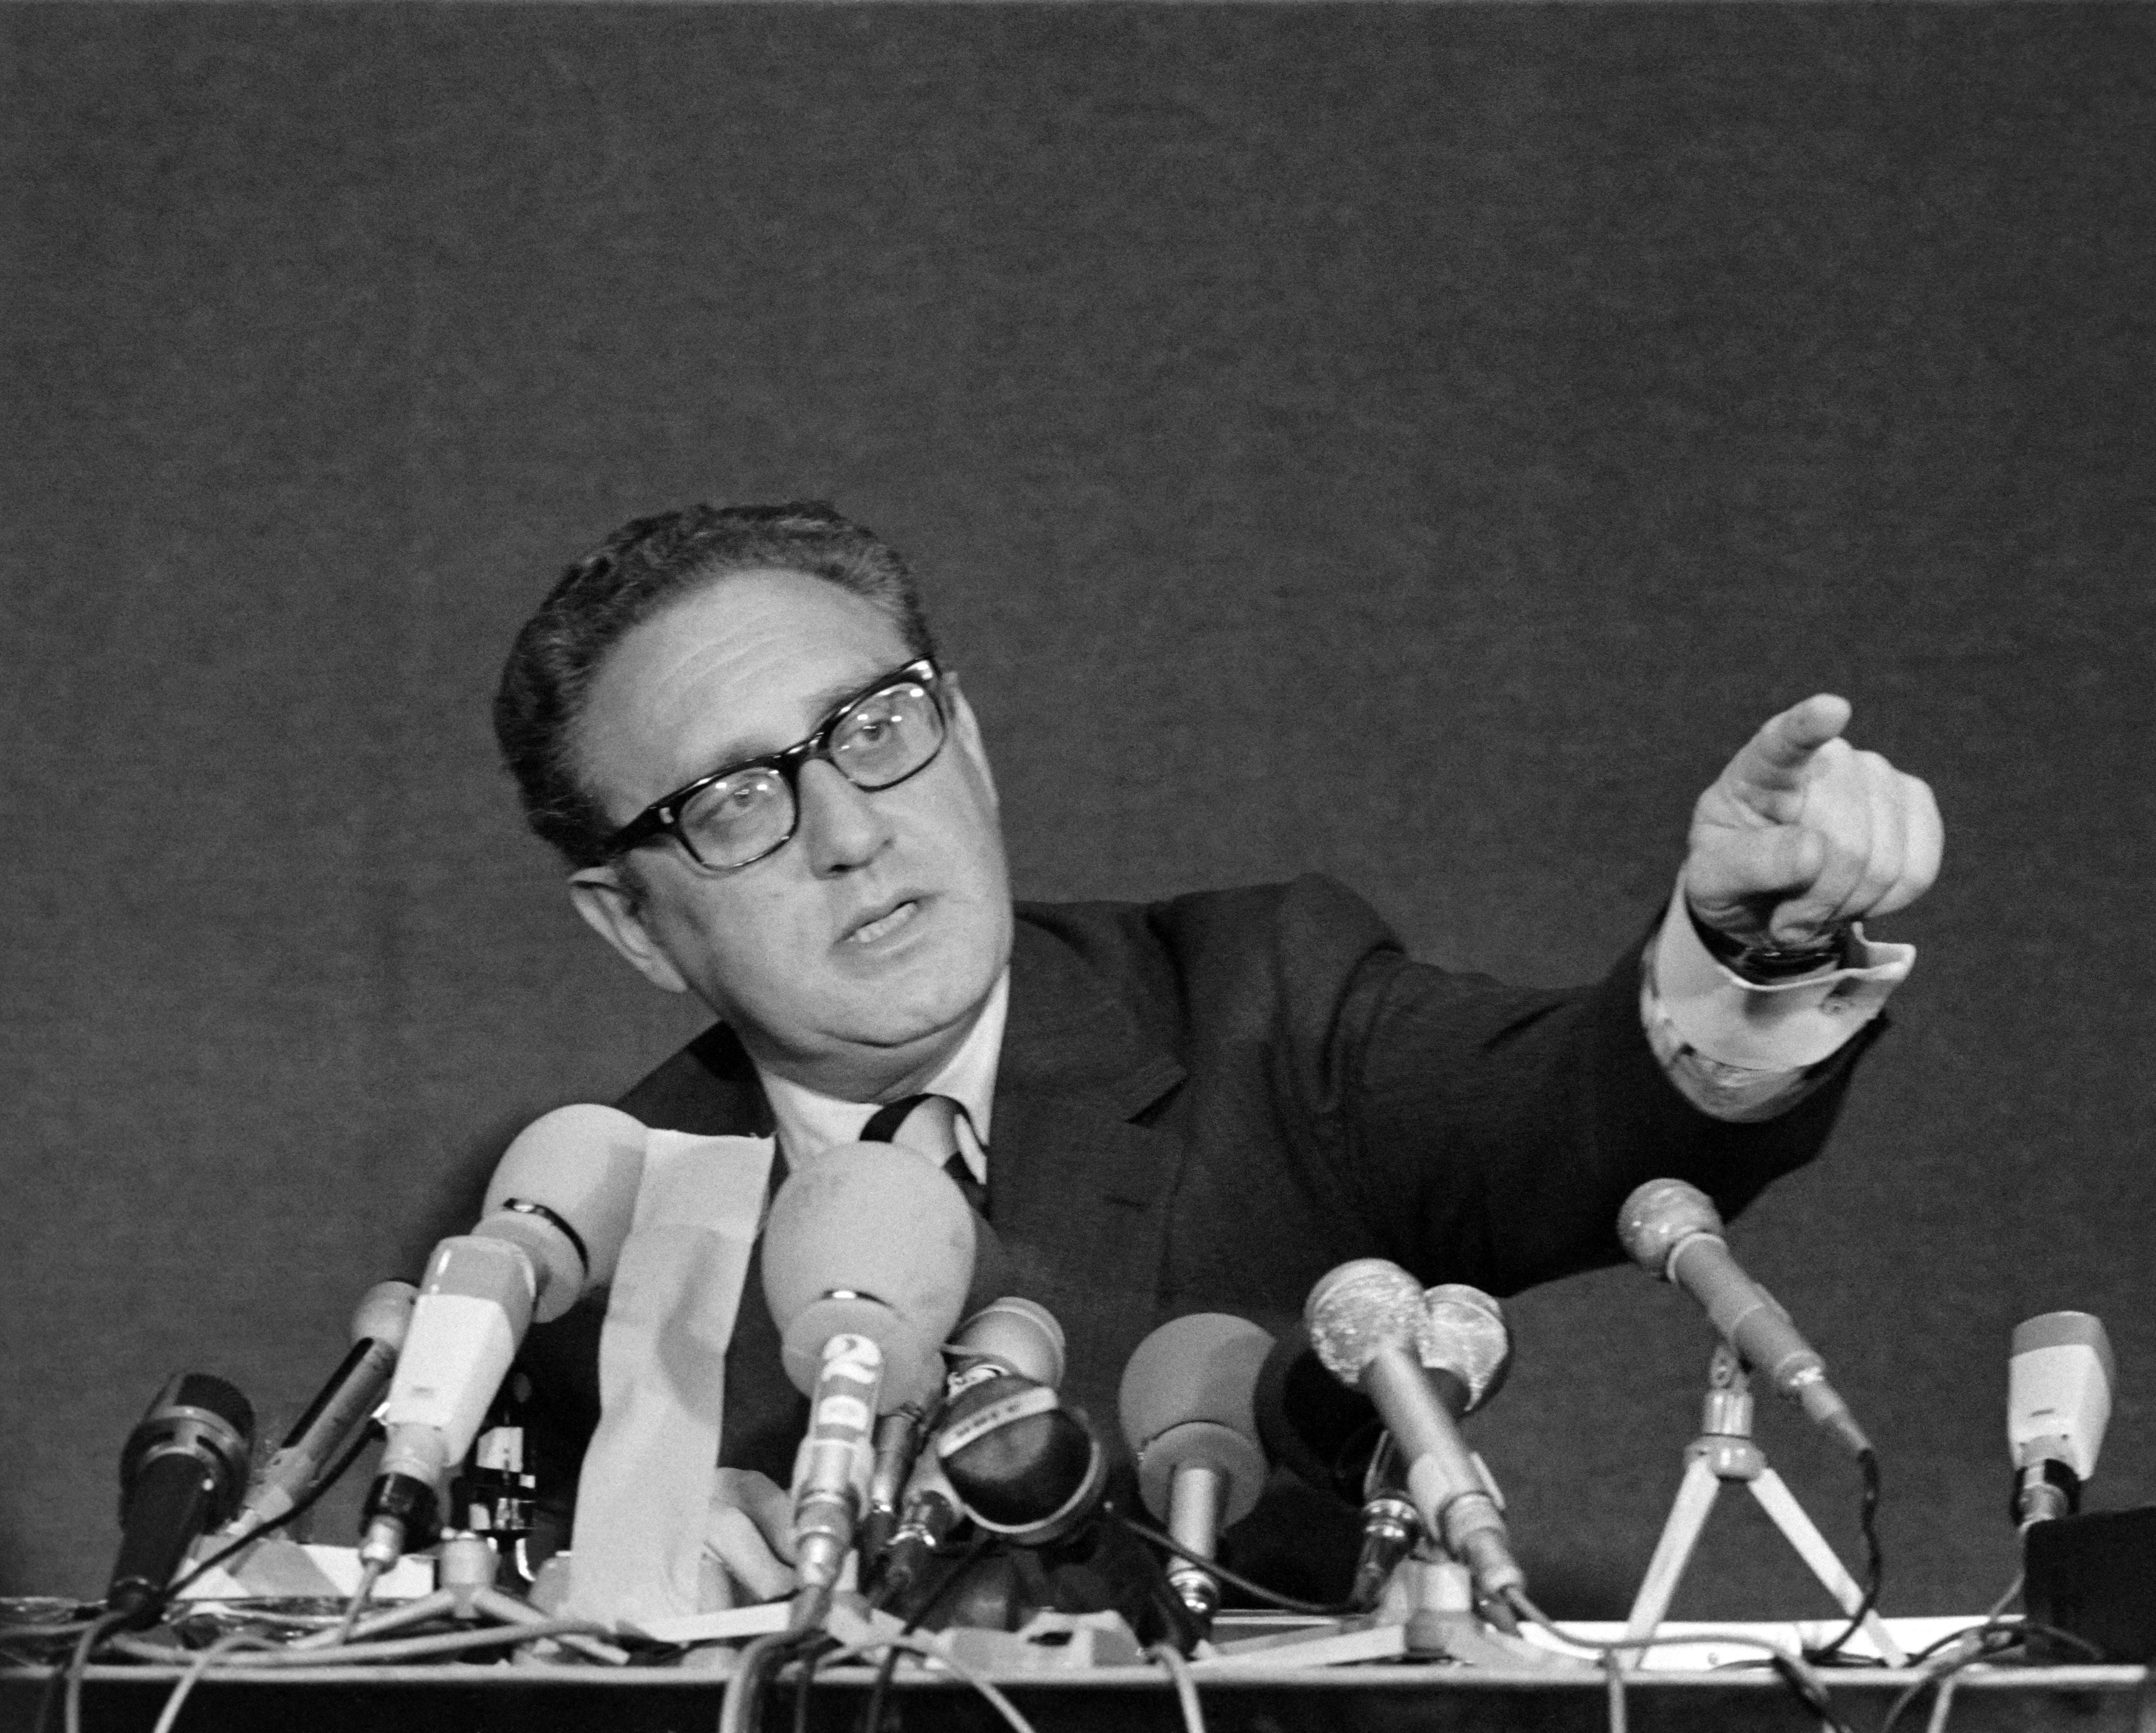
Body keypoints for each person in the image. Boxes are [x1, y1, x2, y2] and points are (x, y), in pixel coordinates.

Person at [490, 500, 1942, 1621]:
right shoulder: (588, 1249)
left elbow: (1575, 1118)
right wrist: (632, 1594)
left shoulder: (1260, 1008)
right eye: (735, 804)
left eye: (876, 730)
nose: (850, 830)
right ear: (633, 926)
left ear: (971, 743)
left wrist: (1743, 951)